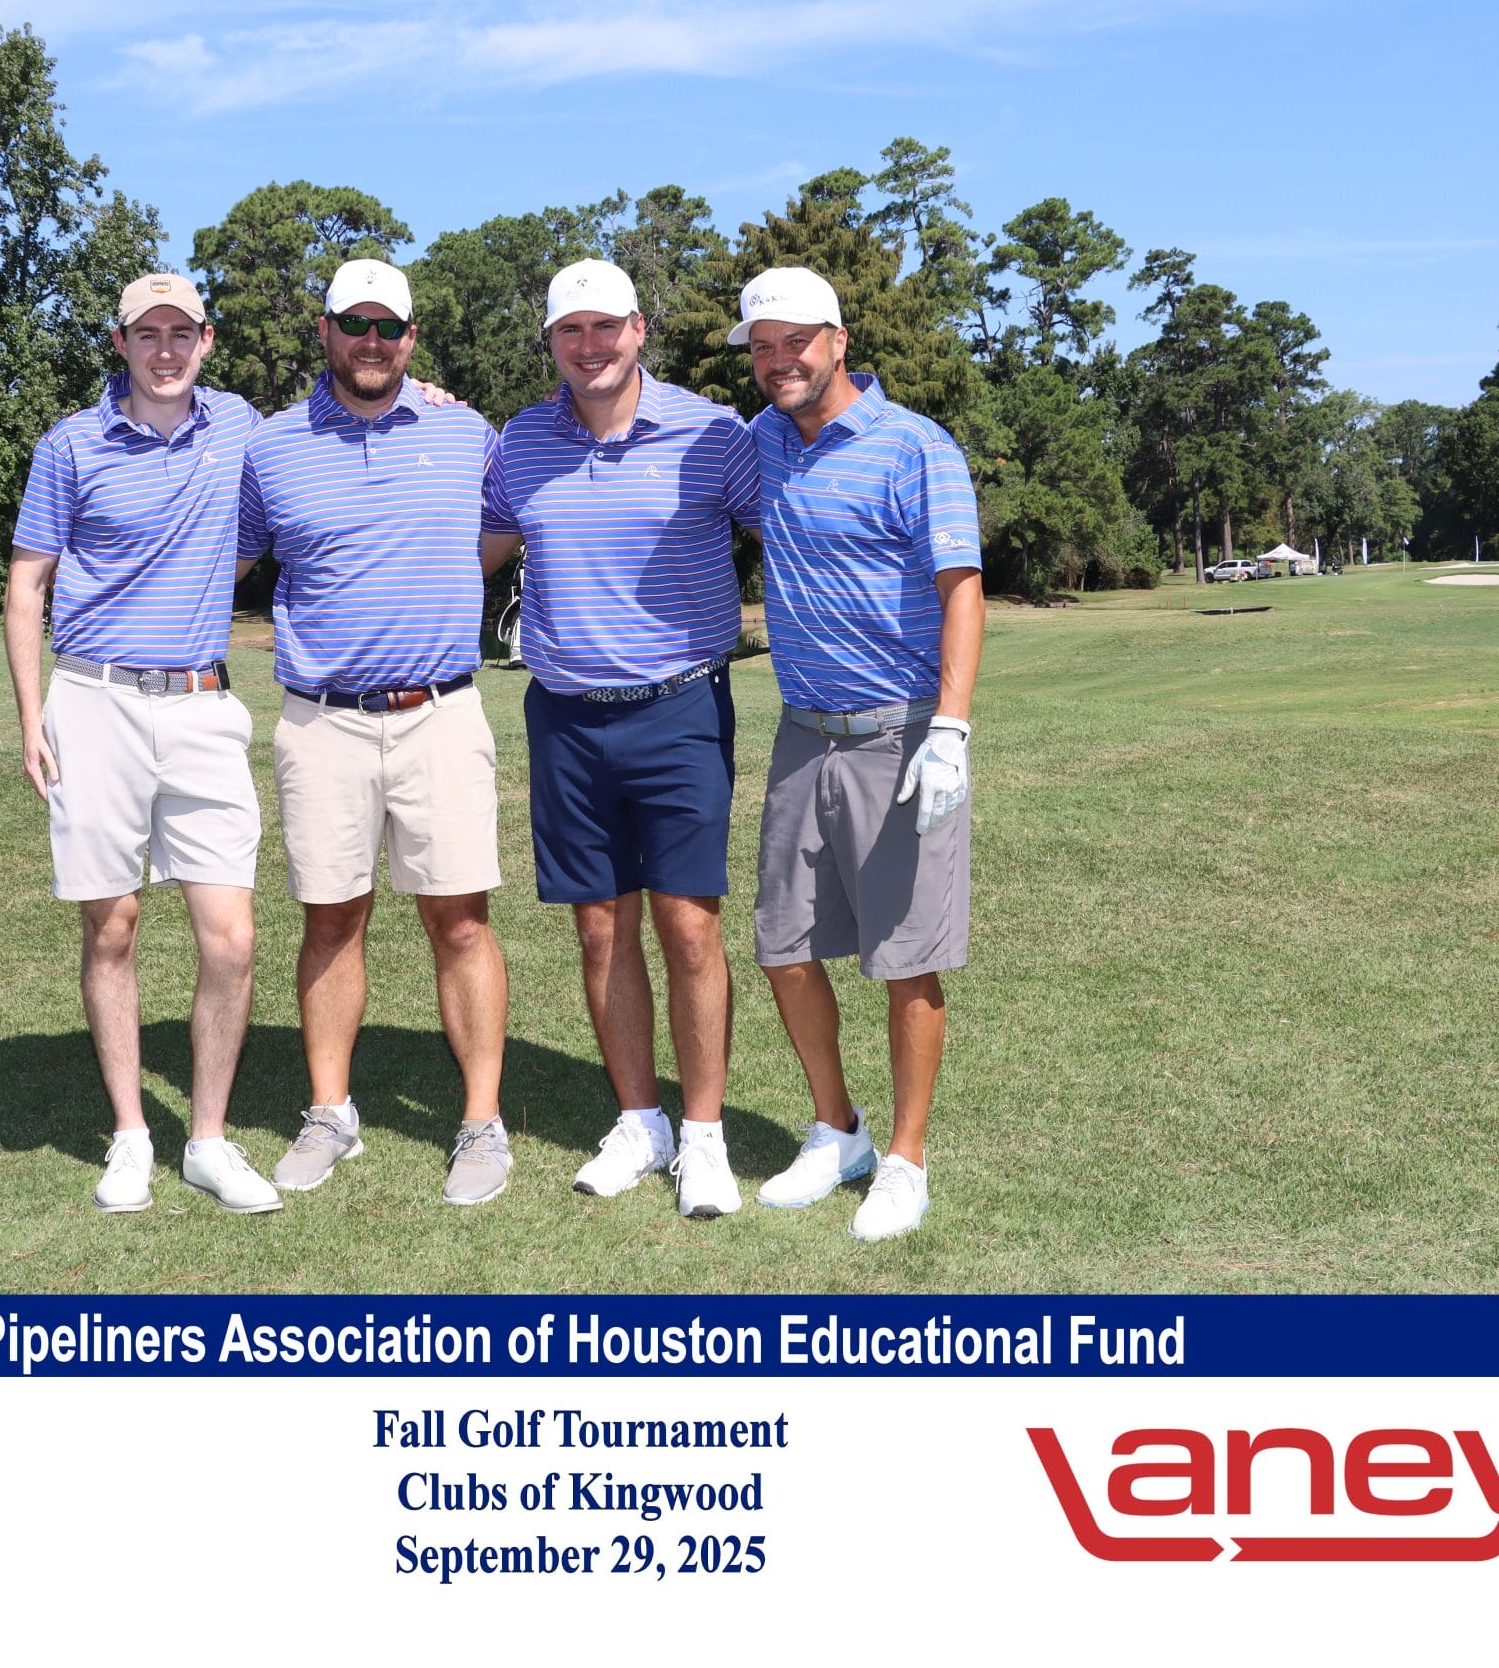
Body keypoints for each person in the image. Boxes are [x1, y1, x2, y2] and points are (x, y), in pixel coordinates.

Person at [480, 259, 757, 1218]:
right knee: (600, 926)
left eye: (606, 326)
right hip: (565, 715)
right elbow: (470, 548)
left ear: (640, 329)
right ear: (551, 342)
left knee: (689, 924)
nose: (589, 345)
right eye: (571, 330)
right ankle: (642, 1121)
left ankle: (705, 1135)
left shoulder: (712, 434)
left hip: (679, 707)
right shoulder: (519, 440)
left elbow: (794, 526)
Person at [237, 259, 515, 1206]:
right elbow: (224, 556)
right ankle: (330, 1112)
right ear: (323, 330)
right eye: (353, 323)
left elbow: (506, 529)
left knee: (461, 920)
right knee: (330, 917)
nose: (371, 340)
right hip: (322, 721)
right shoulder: (270, 446)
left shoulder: (465, 430)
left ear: (411, 337)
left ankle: (481, 1122)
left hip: (441, 712)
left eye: (388, 326)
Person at [5, 272, 282, 1215]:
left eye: (181, 333)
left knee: (231, 937)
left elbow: (332, 423)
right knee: (112, 923)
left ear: (207, 340)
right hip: (95, 701)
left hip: (203, 704)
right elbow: (27, 584)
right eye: (147, 333)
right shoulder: (70, 444)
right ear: (120, 343)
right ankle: (130, 1134)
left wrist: (427, 391)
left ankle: (207, 1139)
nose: (166, 350)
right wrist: (30, 717)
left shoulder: (240, 426)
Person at [734, 266, 986, 1241]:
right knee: (785, 948)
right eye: (762, 347)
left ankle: (905, 1160)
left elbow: (961, 589)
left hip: (901, 731)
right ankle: (837, 1128)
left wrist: (951, 727)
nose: (779, 361)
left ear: (838, 341)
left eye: (795, 341)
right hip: (804, 735)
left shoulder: (915, 446)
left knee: (906, 959)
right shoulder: (759, 441)